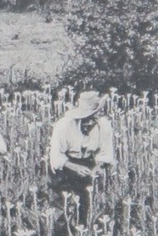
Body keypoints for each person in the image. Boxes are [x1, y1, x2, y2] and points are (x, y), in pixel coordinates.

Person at [47, 90, 116, 228]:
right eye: (85, 118)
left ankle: (83, 230)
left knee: (86, 203)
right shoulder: (64, 126)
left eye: (93, 118)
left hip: (87, 164)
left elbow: (105, 153)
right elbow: (56, 156)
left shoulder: (104, 125)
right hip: (65, 165)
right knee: (63, 205)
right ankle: (61, 234)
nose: (89, 122)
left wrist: (98, 167)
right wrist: (74, 167)